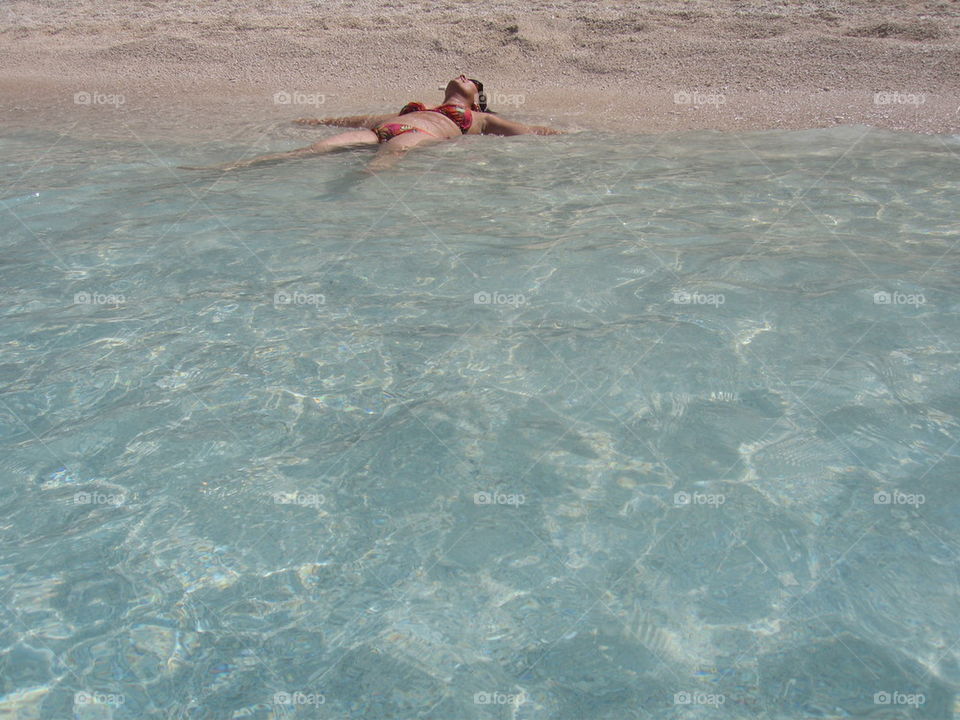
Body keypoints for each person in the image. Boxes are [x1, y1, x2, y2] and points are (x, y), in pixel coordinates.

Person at [182, 75, 563, 173]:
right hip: (389, 128)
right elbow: (362, 119)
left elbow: (526, 132)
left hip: (423, 134)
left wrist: (566, 134)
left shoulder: (481, 118)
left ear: (478, 95)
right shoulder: (419, 104)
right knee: (311, 151)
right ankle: (233, 168)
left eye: (470, 78)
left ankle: (353, 204)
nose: (462, 76)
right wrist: (316, 121)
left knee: (380, 165)